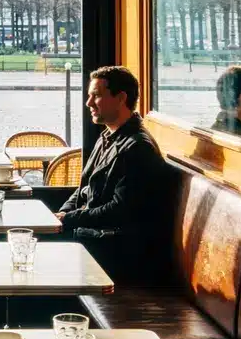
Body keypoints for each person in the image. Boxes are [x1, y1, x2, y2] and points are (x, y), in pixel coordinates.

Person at [57, 66, 169, 284]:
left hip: (119, 253)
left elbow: (120, 210)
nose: (88, 103)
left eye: (96, 96)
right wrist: (64, 212)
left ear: (121, 98)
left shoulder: (138, 148)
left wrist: (68, 219)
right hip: (98, 239)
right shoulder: (107, 136)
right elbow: (84, 189)